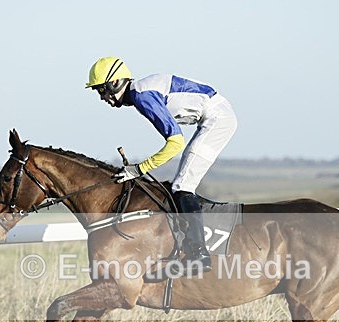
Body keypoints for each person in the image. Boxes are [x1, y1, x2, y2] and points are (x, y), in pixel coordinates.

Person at [86, 56, 237, 273]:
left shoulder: (141, 96)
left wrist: (139, 169)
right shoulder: (140, 92)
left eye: (102, 90)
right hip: (213, 115)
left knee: (182, 186)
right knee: (181, 185)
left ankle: (199, 254)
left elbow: (175, 143)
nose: (102, 97)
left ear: (115, 83)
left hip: (218, 119)